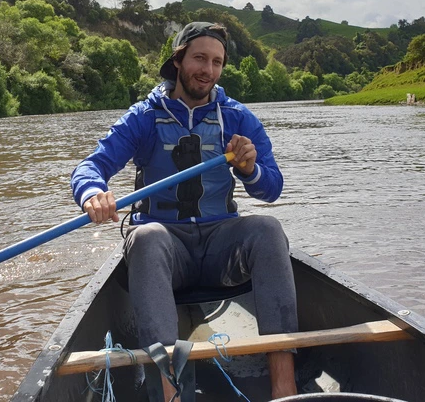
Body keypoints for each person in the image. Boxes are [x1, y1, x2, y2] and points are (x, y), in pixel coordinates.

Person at [71, 22, 298, 400]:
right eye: (199, 58)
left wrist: (249, 168)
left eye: (216, 62)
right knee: (145, 235)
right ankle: (170, 393)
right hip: (165, 253)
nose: (207, 70)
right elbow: (90, 167)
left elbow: (271, 188)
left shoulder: (237, 117)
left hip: (220, 247)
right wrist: (94, 192)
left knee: (268, 228)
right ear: (178, 61)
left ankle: (284, 385)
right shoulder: (143, 117)